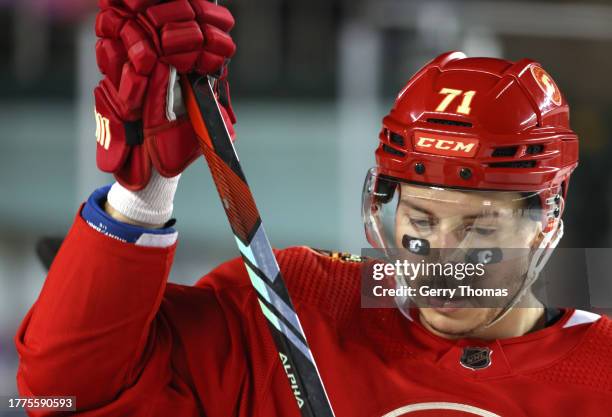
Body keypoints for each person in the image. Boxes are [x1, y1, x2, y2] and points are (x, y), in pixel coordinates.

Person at [15, 1, 611, 416]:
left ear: (548, 215)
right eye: (422, 220)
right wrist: (142, 197)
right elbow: (62, 393)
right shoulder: (300, 309)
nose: (441, 259)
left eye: (479, 225)